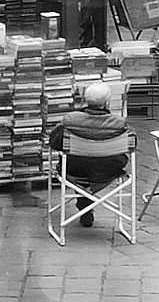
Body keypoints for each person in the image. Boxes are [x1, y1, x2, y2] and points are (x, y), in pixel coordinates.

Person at [47, 81, 131, 209]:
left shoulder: (71, 120)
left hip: (74, 168)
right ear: (107, 102)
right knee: (94, 161)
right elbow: (132, 144)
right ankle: (85, 202)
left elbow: (54, 142)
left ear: (85, 99)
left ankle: (84, 202)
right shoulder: (120, 124)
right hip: (109, 169)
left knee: (77, 159)